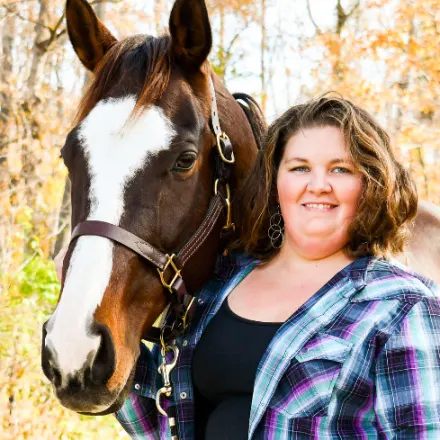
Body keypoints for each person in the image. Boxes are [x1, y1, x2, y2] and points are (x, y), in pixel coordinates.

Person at [55, 95, 440, 439]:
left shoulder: (402, 307)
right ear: (275, 182)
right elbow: (163, 425)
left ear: (370, 184)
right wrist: (87, 298)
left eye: (340, 169)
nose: (318, 184)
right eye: (299, 167)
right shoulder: (218, 286)